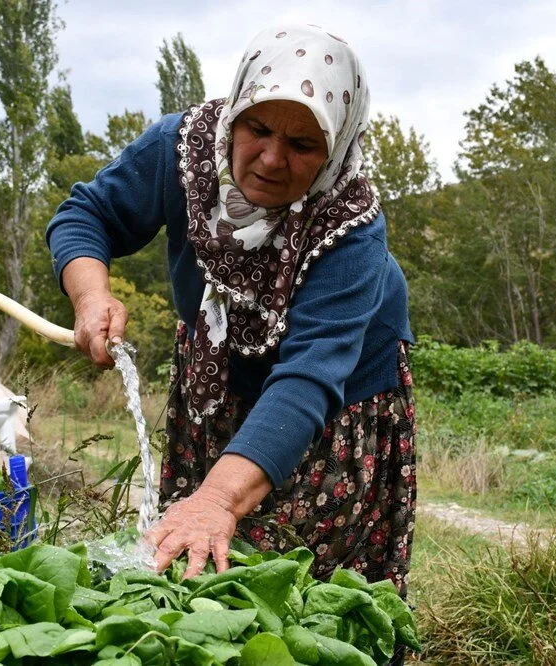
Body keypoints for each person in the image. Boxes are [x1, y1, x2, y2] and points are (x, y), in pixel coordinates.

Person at [47, 24, 417, 599]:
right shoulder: (183, 152)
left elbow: (308, 377)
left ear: (335, 146)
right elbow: (87, 214)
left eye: (302, 145)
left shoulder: (351, 227)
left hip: (333, 400)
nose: (271, 159)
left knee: (300, 581)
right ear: (235, 113)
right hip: (216, 375)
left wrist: (220, 498)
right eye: (258, 128)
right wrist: (91, 296)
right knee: (191, 558)